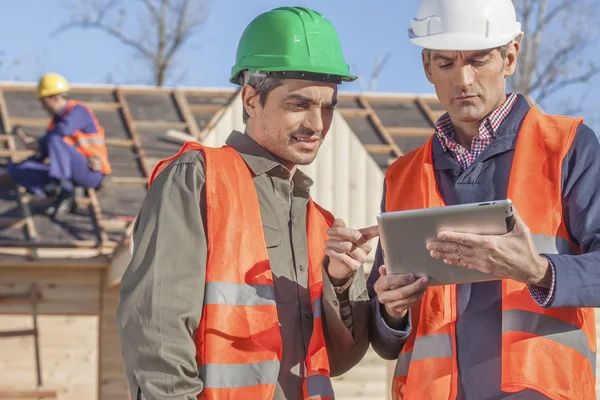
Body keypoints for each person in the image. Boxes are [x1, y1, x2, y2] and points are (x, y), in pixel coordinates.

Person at [117, 7, 375, 400]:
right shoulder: (199, 179)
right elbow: (156, 330)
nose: (317, 124)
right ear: (251, 99)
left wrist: (339, 285)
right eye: (299, 104)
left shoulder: (321, 224)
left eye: (328, 106)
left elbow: (337, 361)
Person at [367, 0, 600, 399]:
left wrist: (539, 271)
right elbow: (385, 339)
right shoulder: (402, 176)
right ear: (426, 66)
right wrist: (391, 311)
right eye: (445, 64)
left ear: (510, 55)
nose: (463, 79)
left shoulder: (567, 148)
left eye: (479, 60)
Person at [6, 73, 111, 218]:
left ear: (55, 97)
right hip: (67, 174)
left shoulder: (78, 111)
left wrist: (39, 142)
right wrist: (19, 165)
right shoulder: (53, 127)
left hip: (91, 172)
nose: (43, 107)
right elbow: (41, 156)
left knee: (55, 137)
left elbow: (63, 130)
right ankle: (56, 189)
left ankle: (64, 188)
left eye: (44, 102)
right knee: (16, 169)